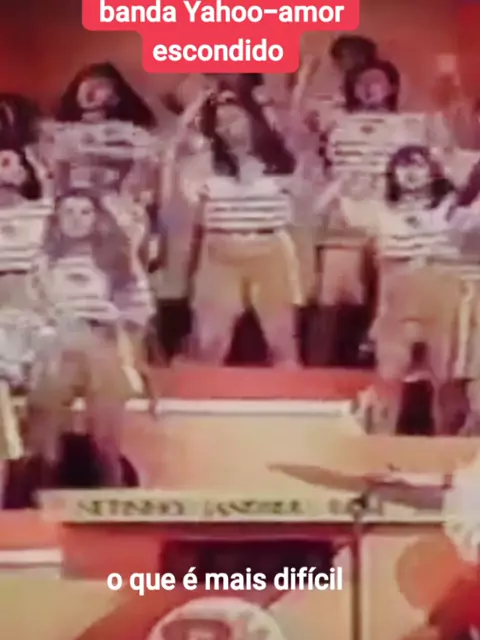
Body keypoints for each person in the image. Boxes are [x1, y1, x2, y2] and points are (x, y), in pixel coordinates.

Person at [170, 86, 302, 366]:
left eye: (234, 119)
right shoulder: (204, 163)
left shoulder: (279, 158)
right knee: (209, 344)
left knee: (281, 342)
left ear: (252, 119)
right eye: (220, 123)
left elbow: (294, 129)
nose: (227, 128)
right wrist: (196, 106)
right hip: (220, 251)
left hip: (270, 250)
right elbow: (175, 146)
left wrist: (269, 103)